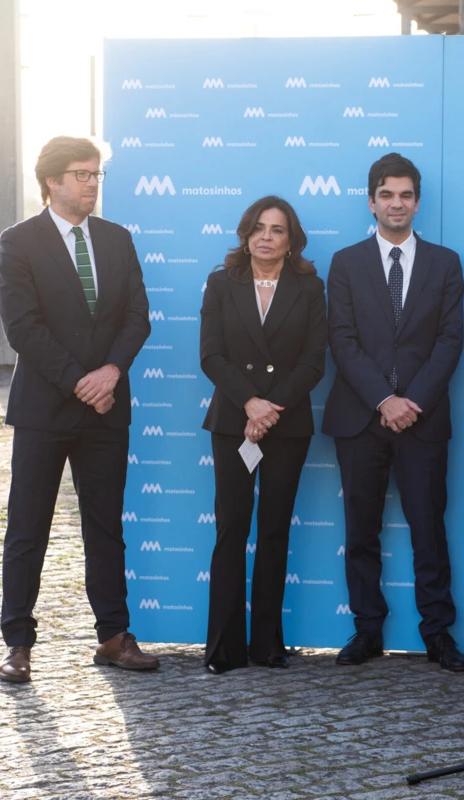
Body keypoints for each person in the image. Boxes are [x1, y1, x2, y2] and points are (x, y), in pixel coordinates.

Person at [0, 135, 156, 682]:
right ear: (52, 182)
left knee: (105, 526)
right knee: (28, 527)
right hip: (44, 409)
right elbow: (23, 328)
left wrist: (110, 374)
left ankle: (113, 636)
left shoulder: (116, 239)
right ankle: (18, 644)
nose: (92, 184)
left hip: (108, 408)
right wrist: (80, 382)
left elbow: (137, 316)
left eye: (96, 175)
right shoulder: (18, 242)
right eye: (82, 175)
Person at [323, 153, 464, 672]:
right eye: (387, 195)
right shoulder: (344, 263)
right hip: (361, 418)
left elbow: (451, 341)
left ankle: (437, 633)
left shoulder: (446, 263)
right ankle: (366, 630)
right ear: (372, 201)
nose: (397, 204)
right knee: (360, 529)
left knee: (429, 528)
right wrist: (384, 401)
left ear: (417, 202)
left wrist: (412, 402)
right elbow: (341, 340)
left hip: (423, 418)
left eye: (406, 195)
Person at [198, 196, 327, 675]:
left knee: (274, 530)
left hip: (287, 425)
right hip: (233, 421)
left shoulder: (310, 288)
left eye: (277, 229)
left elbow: (315, 360)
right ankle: (223, 648)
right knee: (231, 528)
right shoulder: (220, 283)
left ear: (291, 239)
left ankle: (267, 644)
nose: (266, 236)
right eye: (258, 228)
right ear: (245, 233)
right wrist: (249, 403)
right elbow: (211, 356)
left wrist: (270, 410)